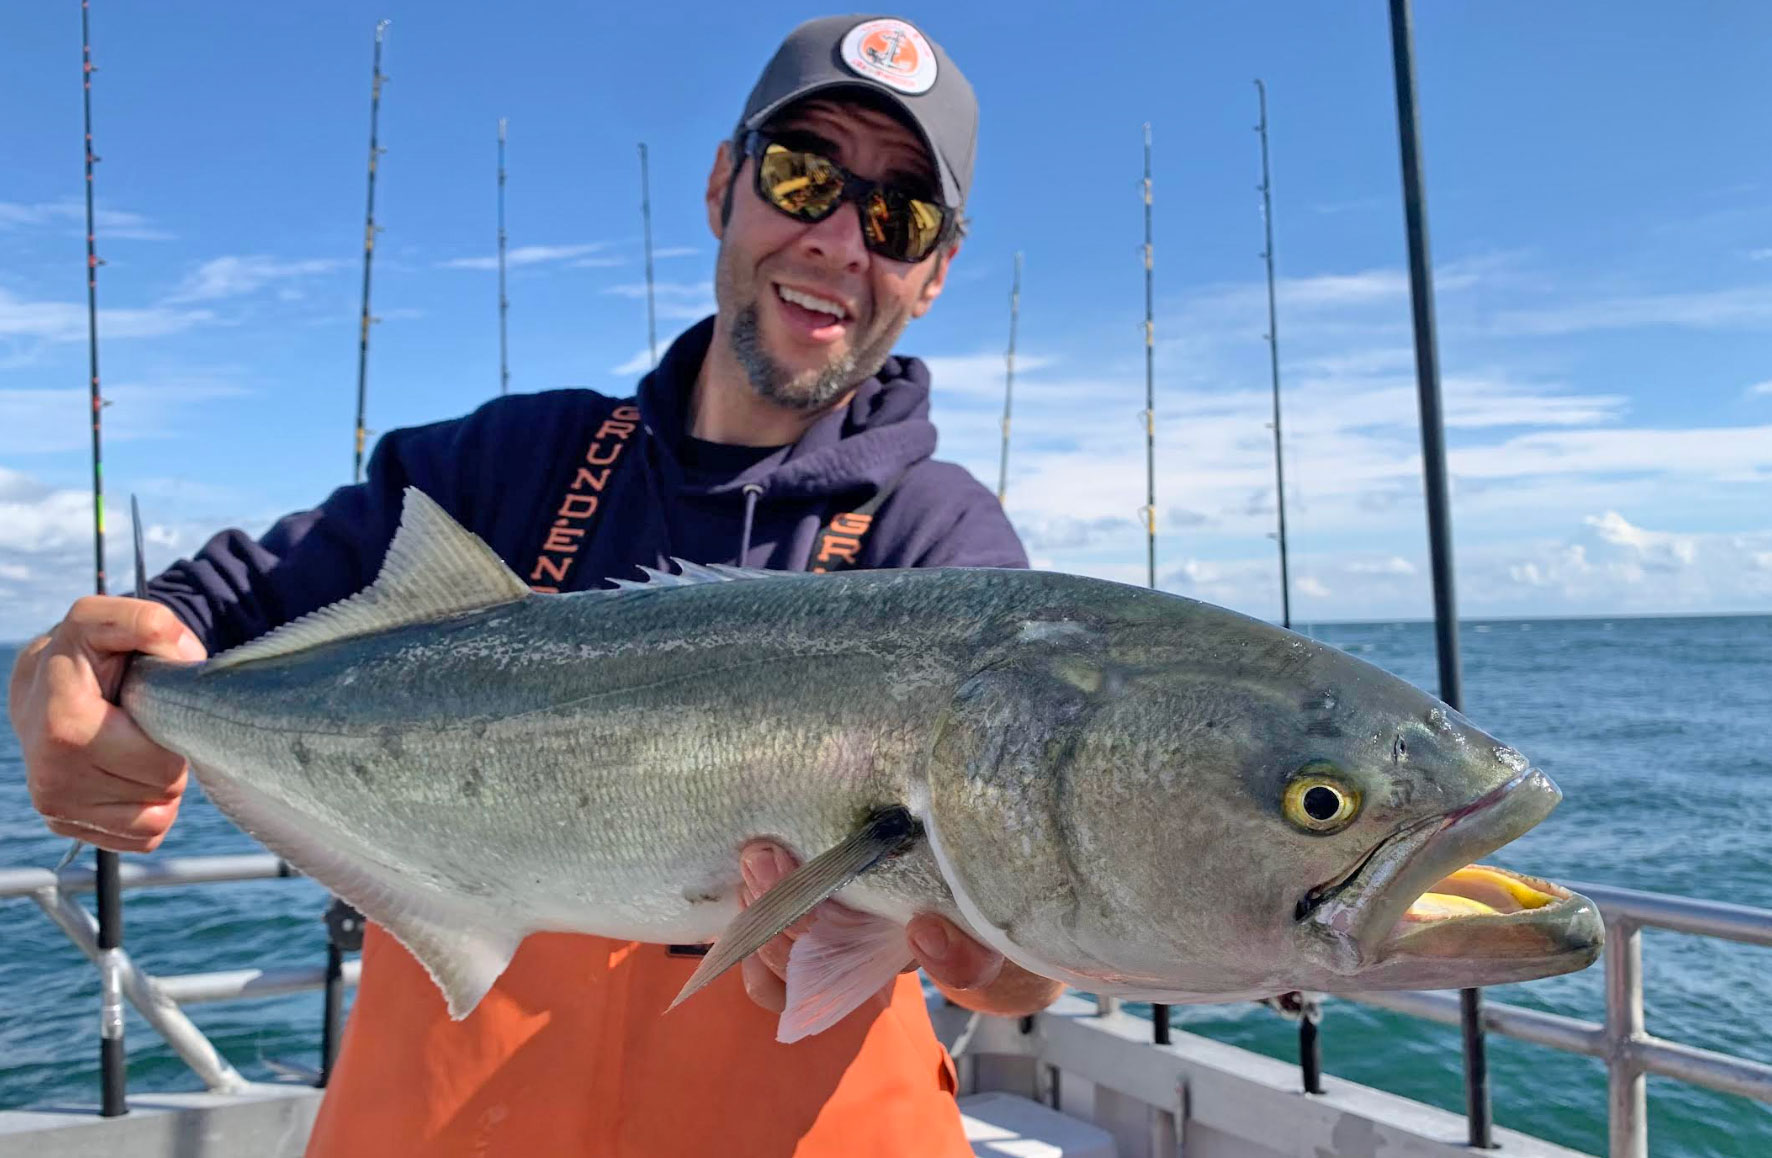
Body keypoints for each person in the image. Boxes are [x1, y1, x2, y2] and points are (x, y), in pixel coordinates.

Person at [7, 14, 1065, 1157]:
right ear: (723, 184)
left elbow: (1022, 881)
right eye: (802, 174)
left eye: (897, 214)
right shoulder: (498, 467)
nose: (840, 241)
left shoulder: (942, 545)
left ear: (935, 270)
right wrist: (85, 667)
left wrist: (1023, 948)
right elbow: (207, 610)